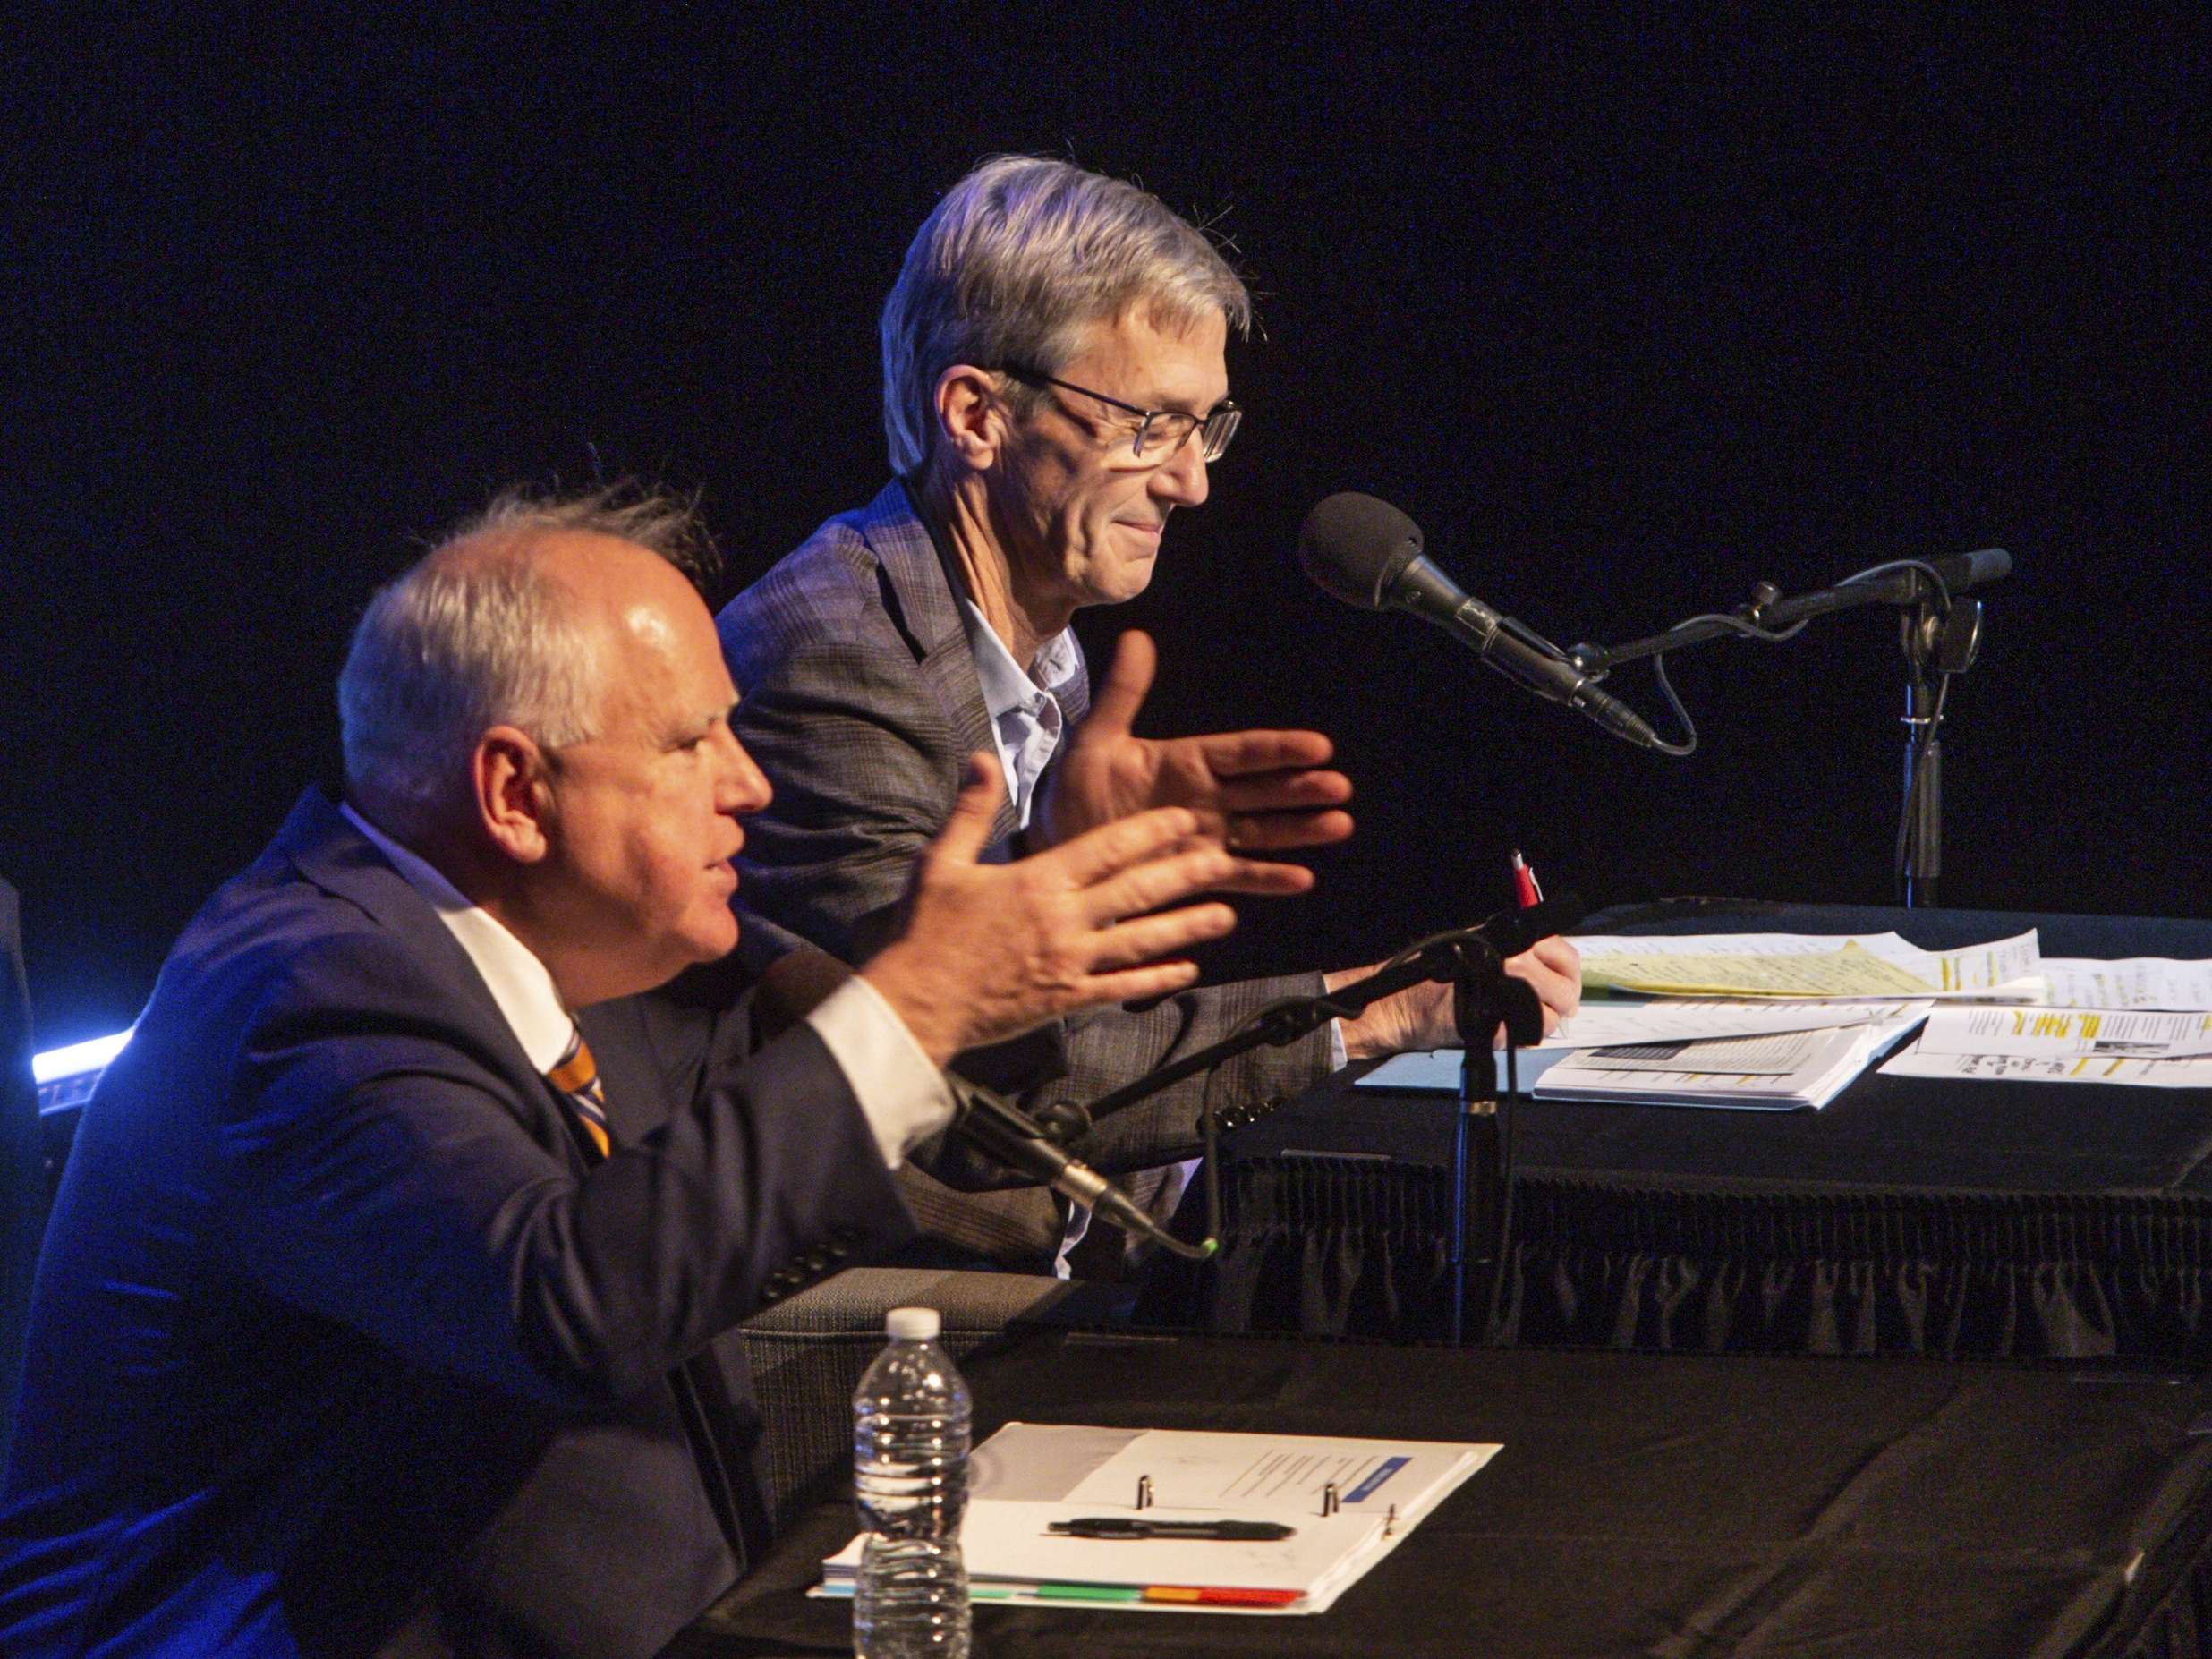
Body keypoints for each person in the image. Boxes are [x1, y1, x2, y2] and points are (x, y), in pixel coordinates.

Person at [0, 488, 1258, 1658]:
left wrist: (1038, 887)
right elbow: (567, 1300)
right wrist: (918, 999)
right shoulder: (309, 995)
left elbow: (827, 1129)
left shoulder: (586, 957)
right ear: (514, 790)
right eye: (691, 741)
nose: (748, 784)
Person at [721, 155, 1580, 1271]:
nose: (1192, 483)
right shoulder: (831, 659)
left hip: (1065, 1249)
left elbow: (1066, 1038)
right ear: (977, 415)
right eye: (1150, 425)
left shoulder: (1043, 646)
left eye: (1203, 428)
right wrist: (1374, 1013)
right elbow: (984, 1086)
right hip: (878, 1309)